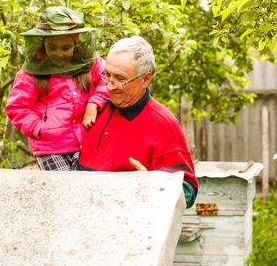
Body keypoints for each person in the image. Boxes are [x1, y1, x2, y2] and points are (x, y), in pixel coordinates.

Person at [77, 36, 198, 207]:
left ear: (145, 79)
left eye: (120, 78)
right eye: (108, 75)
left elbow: (188, 190)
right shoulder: (97, 107)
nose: (110, 86)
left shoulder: (163, 125)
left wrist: (153, 185)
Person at [5, 7, 109, 171]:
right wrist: (40, 129)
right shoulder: (31, 73)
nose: (59, 53)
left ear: (76, 40)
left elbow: (109, 80)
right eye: (52, 48)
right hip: (50, 149)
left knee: (85, 189)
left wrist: (94, 104)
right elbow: (17, 107)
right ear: (43, 42)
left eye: (65, 48)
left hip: (86, 141)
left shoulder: (90, 63)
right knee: (61, 191)